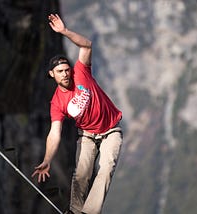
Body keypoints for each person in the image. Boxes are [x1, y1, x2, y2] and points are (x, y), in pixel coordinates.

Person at [32, 13, 123, 214]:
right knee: (81, 175)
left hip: (111, 131)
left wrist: (64, 32)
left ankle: (88, 213)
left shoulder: (81, 72)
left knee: (106, 169)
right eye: (60, 71)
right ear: (52, 75)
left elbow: (87, 45)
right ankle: (74, 211)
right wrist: (47, 160)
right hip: (87, 135)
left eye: (66, 70)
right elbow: (55, 133)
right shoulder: (57, 102)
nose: (65, 74)